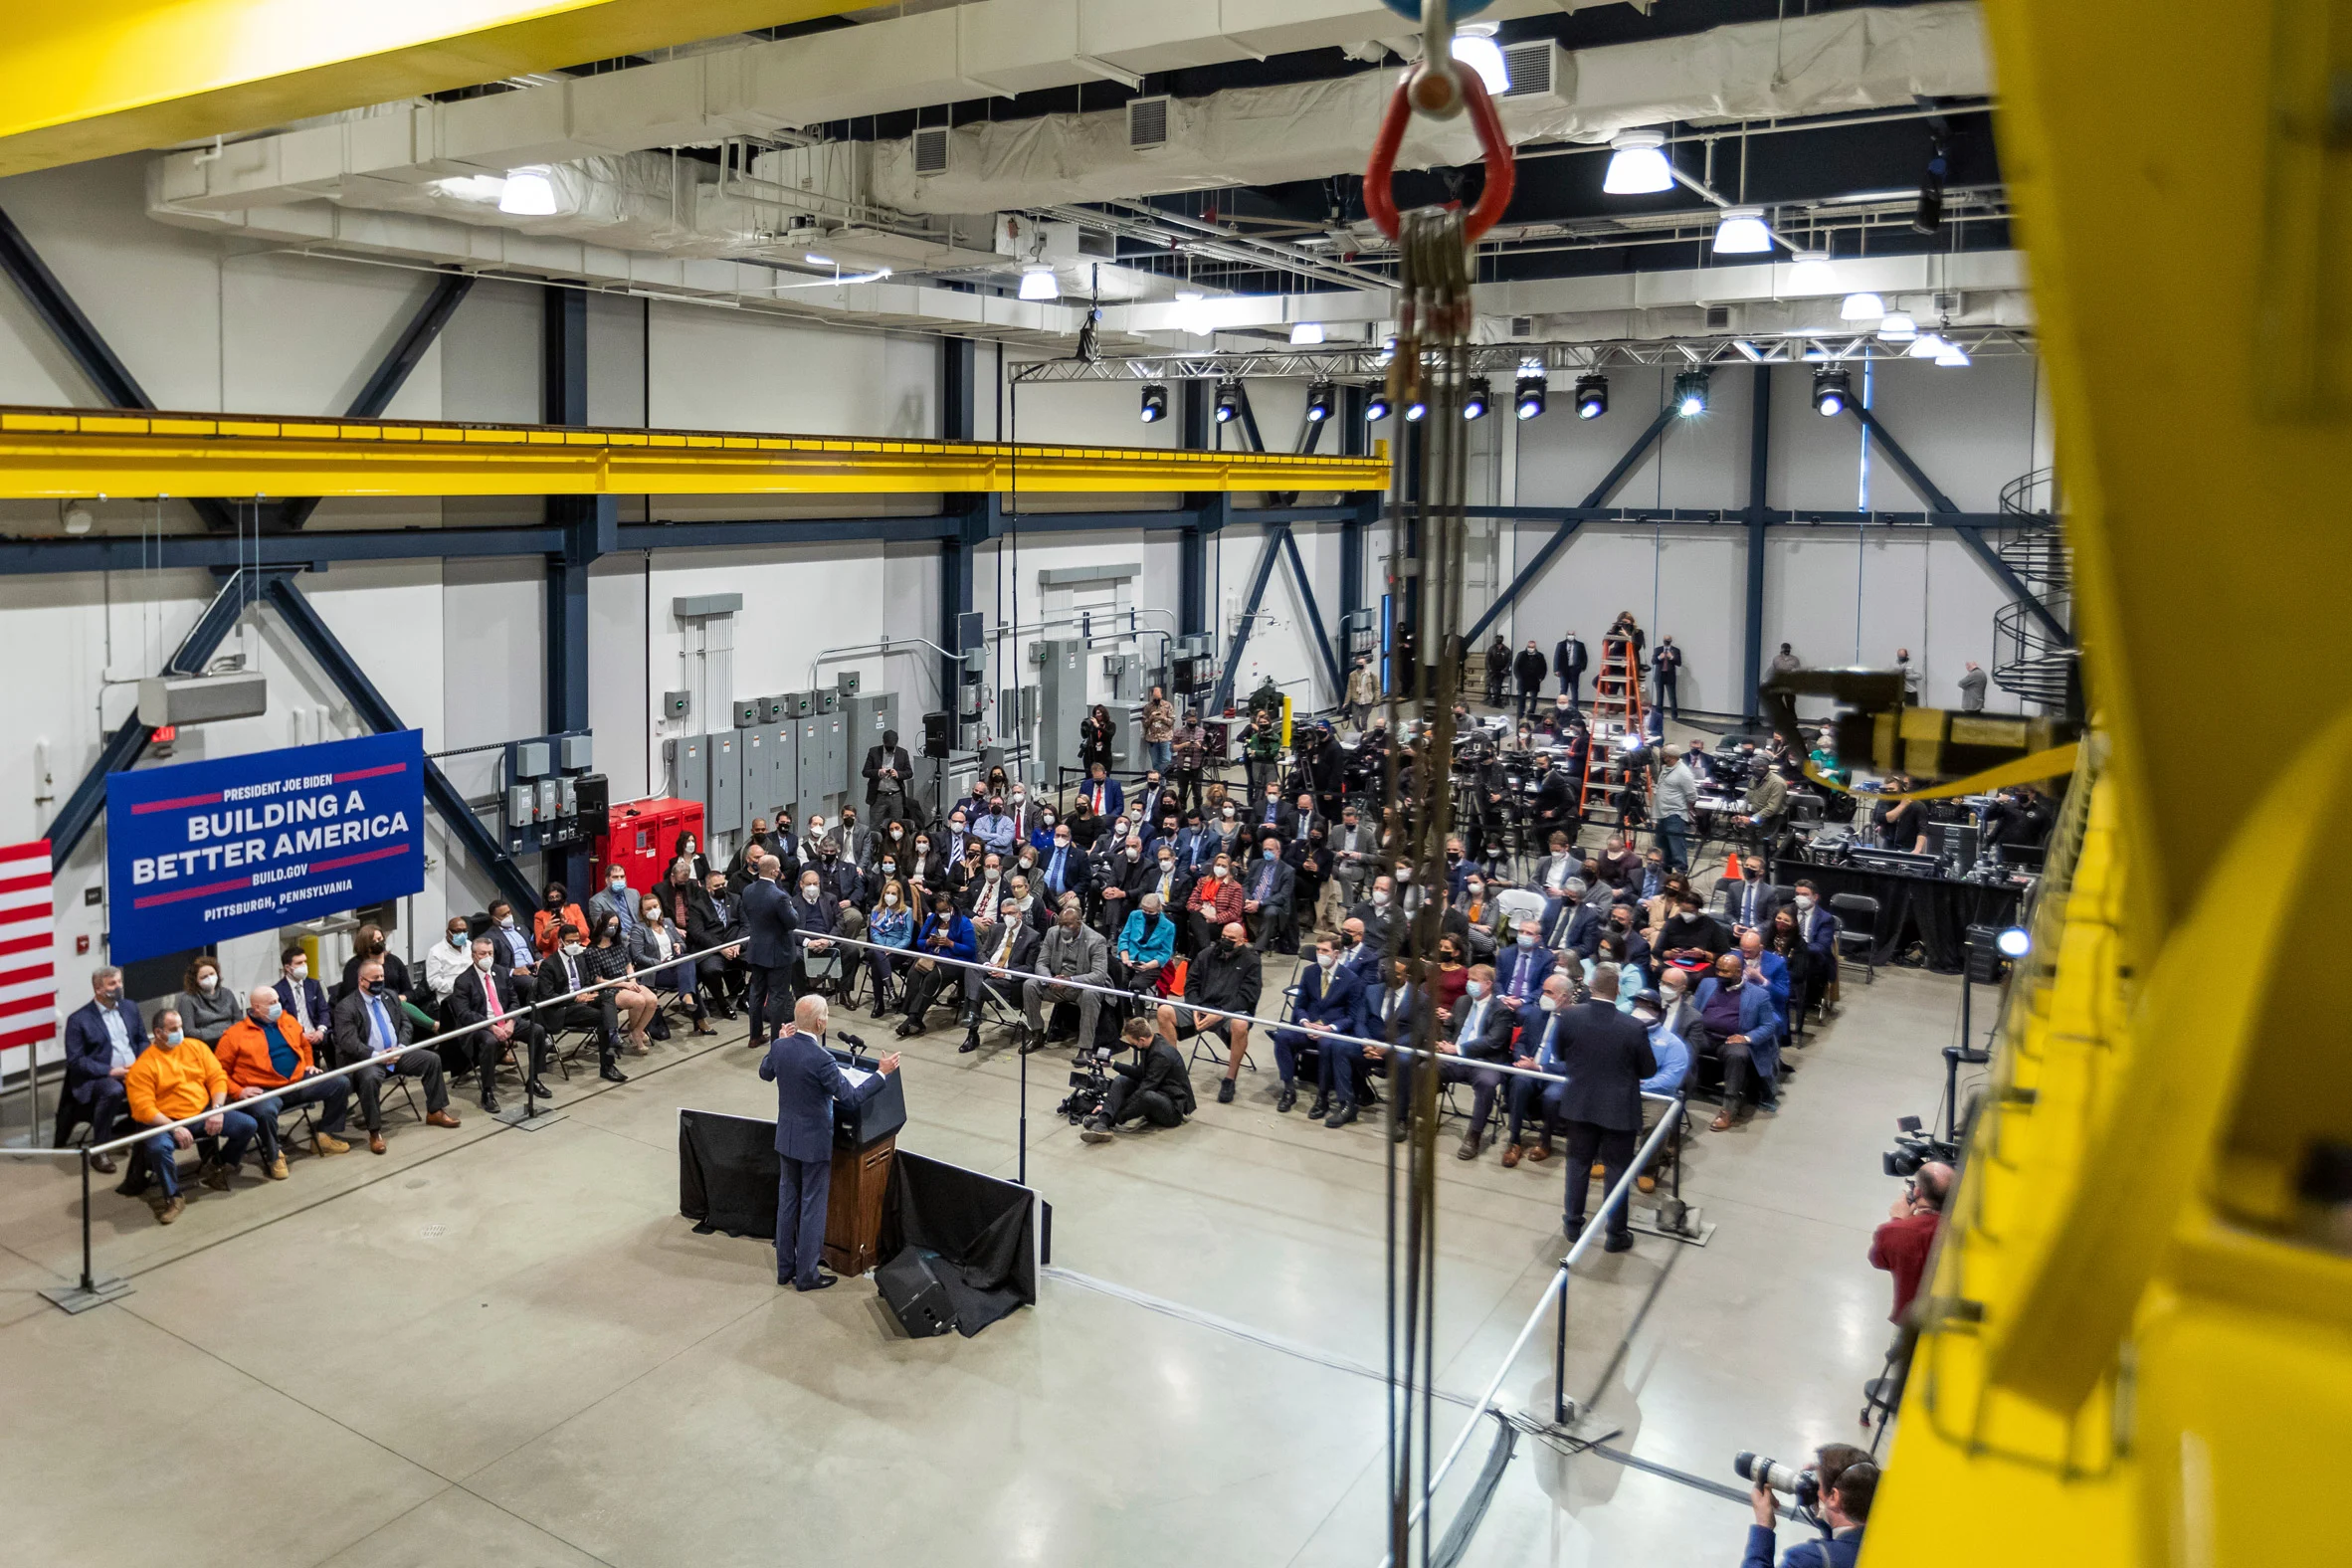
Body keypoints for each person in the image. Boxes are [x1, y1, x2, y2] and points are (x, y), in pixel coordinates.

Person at [760, 995, 900, 1290]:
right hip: (813, 1143)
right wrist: (881, 1073)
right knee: (812, 1206)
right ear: (821, 1023)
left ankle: (785, 1269)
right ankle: (807, 1275)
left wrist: (779, 1041)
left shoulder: (780, 1046)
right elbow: (850, 1096)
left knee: (787, 1203)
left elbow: (765, 1072)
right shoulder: (822, 1059)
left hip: (787, 1138)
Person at [1543, 964, 1656, 1249]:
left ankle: (1572, 1224)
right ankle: (1616, 1234)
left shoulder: (1569, 1017)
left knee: (1577, 1164)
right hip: (1619, 1108)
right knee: (1617, 1170)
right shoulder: (1633, 1027)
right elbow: (1648, 1069)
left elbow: (1559, 1053)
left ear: (1591, 986)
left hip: (1580, 1103)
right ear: (1617, 991)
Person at [123, 1011, 257, 1224]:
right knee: (159, 1148)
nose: (180, 1032)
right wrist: (174, 1127)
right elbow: (143, 1108)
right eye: (173, 1029)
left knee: (247, 1125)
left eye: (180, 1026)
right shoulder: (143, 1066)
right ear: (158, 1033)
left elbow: (217, 1077)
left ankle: (219, 1166)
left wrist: (217, 1110)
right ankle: (173, 1196)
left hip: (203, 1112)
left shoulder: (196, 1047)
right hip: (166, 1122)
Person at [214, 984, 355, 1176]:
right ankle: (274, 1155)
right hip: (264, 1090)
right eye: (271, 1003)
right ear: (256, 1008)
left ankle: (324, 1135)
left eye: (277, 1001)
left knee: (340, 1083)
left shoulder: (288, 1020)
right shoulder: (233, 1035)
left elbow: (304, 1044)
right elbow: (219, 1073)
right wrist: (239, 1091)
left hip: (298, 1081)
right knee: (265, 1111)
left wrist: (309, 1064)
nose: (277, 1005)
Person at [329, 960, 461, 1152]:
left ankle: (436, 1111)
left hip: (397, 1053)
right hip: (368, 1059)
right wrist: (377, 1055)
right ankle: (375, 1132)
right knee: (370, 1078)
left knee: (432, 1060)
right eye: (375, 978)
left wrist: (400, 1048)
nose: (380, 981)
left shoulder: (389, 996)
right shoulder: (346, 1007)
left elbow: (405, 1025)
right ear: (362, 980)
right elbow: (349, 1042)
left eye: (382, 977)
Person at [1405, 963, 1521, 1160]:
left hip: (1485, 1061)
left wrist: (1459, 1049)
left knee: (1487, 1083)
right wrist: (1444, 1042)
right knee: (1425, 1069)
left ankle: (1474, 1135)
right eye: (1469, 979)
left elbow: (1494, 1041)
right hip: (1455, 1059)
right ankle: (1424, 1121)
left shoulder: (1501, 1010)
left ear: (1488, 984)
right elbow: (1450, 1027)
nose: (1469, 984)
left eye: (1474, 980)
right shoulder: (1462, 1001)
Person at [1156, 920, 1261, 1104]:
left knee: (1240, 1024)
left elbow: (1248, 996)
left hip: (1230, 1011)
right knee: (1164, 1011)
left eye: (1231, 938)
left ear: (1241, 941)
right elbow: (1191, 984)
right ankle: (1174, 1072)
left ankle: (1230, 1079)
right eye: (1223, 936)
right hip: (1202, 1007)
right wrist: (1196, 1007)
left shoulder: (1251, 961)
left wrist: (1222, 1013)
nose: (1225, 941)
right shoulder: (1206, 954)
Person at [442, 939, 553, 1110]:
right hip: (480, 1026)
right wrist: (491, 1027)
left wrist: (511, 1021)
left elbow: (514, 1001)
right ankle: (487, 1091)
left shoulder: (501, 973)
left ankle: (534, 1079)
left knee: (537, 1030)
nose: (487, 957)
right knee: (490, 1041)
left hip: (506, 1021)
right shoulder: (463, 981)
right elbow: (464, 1014)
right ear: (473, 956)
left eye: (490, 953)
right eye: (483, 954)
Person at [61, 966, 146, 1171]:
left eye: (119, 982)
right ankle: (100, 1150)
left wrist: (140, 1063)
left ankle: (149, 1137)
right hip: (99, 1078)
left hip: (134, 1070)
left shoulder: (130, 1007)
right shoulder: (78, 1020)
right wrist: (110, 1071)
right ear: (98, 989)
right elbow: (76, 1061)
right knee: (113, 1090)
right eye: (112, 984)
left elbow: (142, 1040)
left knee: (161, 1076)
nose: (118, 987)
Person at [1272, 934, 1365, 1120]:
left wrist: (1329, 1028)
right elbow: (1300, 1005)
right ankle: (1289, 1090)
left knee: (1327, 1045)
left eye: (1325, 950)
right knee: (1282, 1036)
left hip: (1330, 1031)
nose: (1320, 954)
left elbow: (1352, 1017)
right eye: (1318, 949)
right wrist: (1305, 1023)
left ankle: (1322, 1097)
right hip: (1308, 1027)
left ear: (1336, 954)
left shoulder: (1351, 980)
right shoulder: (1309, 972)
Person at [1693, 950, 1786, 1129]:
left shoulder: (1758, 995)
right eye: (1718, 970)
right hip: (1704, 1035)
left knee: (1738, 1055)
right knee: (1682, 1043)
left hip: (1731, 1040)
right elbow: (1694, 1010)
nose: (1720, 974)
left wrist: (1746, 1037)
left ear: (1738, 972)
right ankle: (1676, 1089)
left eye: (1725, 971)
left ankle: (1728, 1108)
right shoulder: (1707, 984)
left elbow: (1768, 1026)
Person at [532, 926, 629, 1084]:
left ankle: (613, 1035)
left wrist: (586, 992)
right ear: (560, 942)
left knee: (607, 997)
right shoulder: (549, 965)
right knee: (603, 1017)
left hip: (582, 999)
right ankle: (607, 1065)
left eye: (577, 941)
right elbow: (547, 997)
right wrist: (575, 998)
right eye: (570, 941)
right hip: (562, 1008)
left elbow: (587, 982)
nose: (575, 945)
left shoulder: (579, 958)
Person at [1744, 1452, 1875, 1568]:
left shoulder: (1810, 1560)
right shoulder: (1880, 1539)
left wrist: (1763, 1526)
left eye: (1817, 1485)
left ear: (1834, 1497)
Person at [1080, 1017, 1194, 1141]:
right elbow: (1140, 1073)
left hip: (1171, 1110)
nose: (1131, 1046)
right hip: (1159, 1091)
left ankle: (1108, 1120)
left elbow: (1145, 1088)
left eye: (1132, 1043)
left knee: (1147, 1096)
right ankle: (1103, 1121)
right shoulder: (1149, 1045)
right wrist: (1113, 1064)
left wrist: (1118, 1109)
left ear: (1141, 1040)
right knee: (1121, 1080)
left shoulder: (1161, 1055)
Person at [1020, 897, 1110, 1052]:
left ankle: (1085, 1047)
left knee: (1090, 994)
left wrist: (1069, 980)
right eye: (1061, 924)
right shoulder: (1052, 933)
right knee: (1030, 985)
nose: (1063, 928)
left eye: (1068, 924)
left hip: (1081, 986)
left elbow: (1099, 975)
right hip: (1055, 983)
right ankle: (1037, 1034)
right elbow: (1041, 963)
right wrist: (1050, 979)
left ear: (1079, 923)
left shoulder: (1096, 940)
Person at [1870, 1161, 1954, 1323]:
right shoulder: (1964, 1229)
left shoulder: (1894, 1231)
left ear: (1917, 1191)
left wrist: (1897, 1220)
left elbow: (1879, 1260)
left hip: (1913, 1321)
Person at [631, 892, 714, 1037]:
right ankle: (698, 1016)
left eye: (655, 906)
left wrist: (678, 946)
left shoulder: (668, 923)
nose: (653, 910)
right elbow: (638, 956)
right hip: (655, 971)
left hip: (674, 966)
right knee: (690, 978)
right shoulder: (638, 929)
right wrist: (659, 963)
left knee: (686, 960)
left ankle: (687, 997)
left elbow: (682, 943)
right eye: (648, 908)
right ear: (642, 912)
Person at [895, 891, 978, 1036]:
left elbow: (971, 950)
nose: (942, 914)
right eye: (939, 911)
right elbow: (919, 942)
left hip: (955, 960)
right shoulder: (932, 919)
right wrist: (928, 942)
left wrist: (951, 944)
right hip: (932, 956)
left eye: (945, 910)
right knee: (913, 973)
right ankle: (912, 1015)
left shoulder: (964, 923)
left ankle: (913, 1018)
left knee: (933, 977)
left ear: (952, 907)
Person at [740, 855, 800, 1048]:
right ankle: (777, 1039)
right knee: (777, 997)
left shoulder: (748, 890)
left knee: (756, 994)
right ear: (775, 871)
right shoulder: (779, 896)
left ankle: (754, 1036)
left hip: (757, 949)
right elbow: (792, 922)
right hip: (778, 953)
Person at [585, 914, 659, 1057]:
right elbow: (598, 980)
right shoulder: (591, 951)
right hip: (609, 987)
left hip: (628, 982)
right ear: (602, 925)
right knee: (638, 1001)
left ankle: (637, 1031)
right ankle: (636, 1034)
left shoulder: (619, 945)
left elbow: (628, 965)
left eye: (615, 926)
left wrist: (632, 981)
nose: (612, 928)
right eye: (610, 925)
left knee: (652, 1000)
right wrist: (624, 984)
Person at [338, 925, 434, 1032]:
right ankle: (434, 1026)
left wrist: (404, 997)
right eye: (374, 941)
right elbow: (352, 996)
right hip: (370, 1009)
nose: (378, 943)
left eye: (380, 939)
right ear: (365, 946)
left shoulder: (394, 961)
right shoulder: (353, 967)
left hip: (398, 1008)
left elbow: (409, 991)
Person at [686, 870, 750, 1018]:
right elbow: (698, 933)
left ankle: (746, 998)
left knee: (763, 961)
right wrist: (721, 948)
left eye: (723, 884)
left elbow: (746, 925)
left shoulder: (735, 899)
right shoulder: (698, 906)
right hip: (713, 950)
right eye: (717, 886)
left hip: (736, 946)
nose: (721, 888)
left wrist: (739, 944)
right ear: (708, 888)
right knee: (710, 971)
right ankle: (722, 1004)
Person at [864, 878, 915, 1017]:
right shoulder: (876, 910)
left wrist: (891, 949)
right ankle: (890, 991)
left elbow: (907, 937)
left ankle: (879, 1003)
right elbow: (874, 934)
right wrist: (883, 948)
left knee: (876, 962)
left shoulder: (907, 912)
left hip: (897, 950)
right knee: (877, 954)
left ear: (899, 896)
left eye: (893, 893)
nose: (890, 896)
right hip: (879, 947)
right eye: (888, 893)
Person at [1241, 833, 1296, 953]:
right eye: (1265, 849)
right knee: (1233, 903)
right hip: (1251, 900)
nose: (1267, 852)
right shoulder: (1256, 863)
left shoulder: (1288, 871)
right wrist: (1248, 900)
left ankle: (1258, 948)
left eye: (1270, 849)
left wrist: (1259, 903)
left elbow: (1283, 896)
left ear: (1278, 852)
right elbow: (1245, 885)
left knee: (1270, 912)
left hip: (1273, 904)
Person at [273, 946, 331, 1045]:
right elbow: (279, 1023)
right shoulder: (277, 991)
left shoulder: (313, 985)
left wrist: (321, 1030)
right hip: (294, 1039)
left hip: (317, 1033)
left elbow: (324, 1010)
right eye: (299, 963)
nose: (304, 965)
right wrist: (299, 1035)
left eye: (305, 961)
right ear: (287, 968)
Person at [1653, 744, 1698, 872]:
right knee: (1662, 846)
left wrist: (1687, 810)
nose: (1662, 758)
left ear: (1670, 757)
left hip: (1675, 815)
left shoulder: (1683, 772)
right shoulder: (1666, 769)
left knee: (1676, 846)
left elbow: (1692, 795)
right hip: (1662, 813)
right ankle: (1664, 873)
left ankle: (1680, 873)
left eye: (1664, 756)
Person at [176, 954, 239, 1046]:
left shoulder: (227, 993)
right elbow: (189, 1031)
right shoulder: (187, 1000)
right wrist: (221, 1033)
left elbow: (239, 1020)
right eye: (204, 977)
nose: (209, 978)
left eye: (212, 974)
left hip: (232, 1040)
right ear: (195, 980)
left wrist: (230, 1033)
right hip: (205, 1045)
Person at [862, 726, 914, 818]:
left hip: (896, 796)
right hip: (878, 796)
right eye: (888, 746)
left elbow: (909, 773)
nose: (890, 749)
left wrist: (898, 774)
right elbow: (865, 772)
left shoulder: (903, 753)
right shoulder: (874, 752)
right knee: (875, 823)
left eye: (892, 747)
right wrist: (879, 772)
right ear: (883, 742)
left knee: (896, 823)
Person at [588, 863, 644, 939]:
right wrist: (627, 937)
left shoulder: (634, 893)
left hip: (639, 936)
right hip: (617, 940)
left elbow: (642, 917)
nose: (619, 880)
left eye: (622, 876)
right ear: (607, 880)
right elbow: (602, 928)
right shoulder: (596, 901)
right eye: (615, 877)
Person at [483, 899, 537, 977]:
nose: (508, 916)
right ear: (494, 918)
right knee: (536, 983)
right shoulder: (489, 938)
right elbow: (491, 964)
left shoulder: (522, 928)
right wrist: (512, 971)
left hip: (534, 967)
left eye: (509, 912)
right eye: (504, 915)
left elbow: (535, 950)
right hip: (516, 974)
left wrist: (540, 961)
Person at [535, 882, 589, 956]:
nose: (555, 900)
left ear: (562, 896)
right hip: (555, 954)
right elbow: (540, 946)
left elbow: (585, 933)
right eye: (551, 898)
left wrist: (568, 927)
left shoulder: (574, 908)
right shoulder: (539, 916)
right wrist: (546, 932)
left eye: (557, 896)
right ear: (547, 899)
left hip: (577, 949)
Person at [1141, 686, 1177, 774]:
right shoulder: (1148, 707)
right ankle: (1159, 778)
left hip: (1165, 737)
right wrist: (1151, 717)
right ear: (1151, 696)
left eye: (1158, 698)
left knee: (1166, 760)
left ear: (1162, 695)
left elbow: (1171, 722)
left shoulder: (1168, 705)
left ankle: (1162, 776)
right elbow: (1145, 724)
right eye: (1155, 698)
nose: (1157, 700)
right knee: (1155, 761)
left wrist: (1163, 718)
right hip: (1152, 739)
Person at [1651, 635, 1683, 718]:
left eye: (1668, 639)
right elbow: (1653, 661)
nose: (1666, 640)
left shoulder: (1675, 650)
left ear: (1671, 640)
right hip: (1659, 676)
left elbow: (1679, 663)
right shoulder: (1658, 649)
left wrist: (1671, 657)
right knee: (1659, 698)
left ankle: (1674, 716)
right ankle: (1659, 716)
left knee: (1672, 697)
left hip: (1670, 676)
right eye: (1665, 639)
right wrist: (1659, 657)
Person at [1079, 702, 1116, 773]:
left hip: (1104, 756)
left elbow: (1109, 734)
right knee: (1090, 776)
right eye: (1096, 713)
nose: (1097, 715)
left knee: (1104, 775)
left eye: (1099, 713)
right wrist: (1085, 727)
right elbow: (1085, 736)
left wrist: (1098, 726)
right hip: (1092, 755)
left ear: (1104, 713)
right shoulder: (1092, 726)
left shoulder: (1111, 725)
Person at [1553, 630, 1587, 707]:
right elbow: (1557, 657)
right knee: (1563, 689)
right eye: (1569, 634)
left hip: (1574, 670)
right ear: (1566, 635)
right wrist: (1556, 669)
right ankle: (1561, 706)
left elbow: (1584, 657)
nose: (1570, 636)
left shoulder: (1580, 645)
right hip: (1563, 670)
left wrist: (1582, 667)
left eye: (1572, 634)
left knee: (1574, 689)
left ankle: (1575, 707)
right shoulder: (1561, 644)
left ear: (1574, 635)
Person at [1482, 634, 1512, 707]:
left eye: (1500, 638)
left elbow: (1509, 661)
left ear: (1502, 639)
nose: (1498, 639)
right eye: (1497, 638)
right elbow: (1487, 659)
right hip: (1491, 670)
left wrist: (1505, 670)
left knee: (1497, 686)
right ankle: (1488, 699)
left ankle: (1496, 701)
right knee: (1488, 685)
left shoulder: (1507, 650)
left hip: (1501, 672)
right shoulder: (1491, 648)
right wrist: (1489, 669)